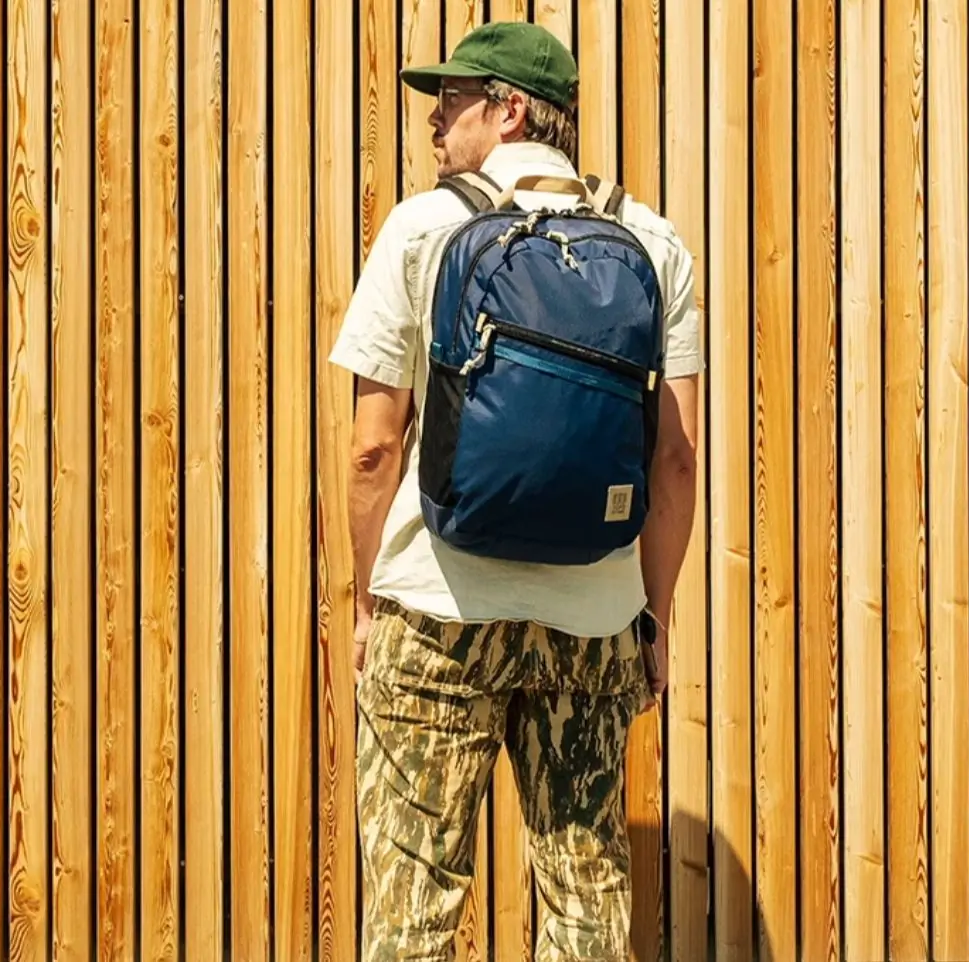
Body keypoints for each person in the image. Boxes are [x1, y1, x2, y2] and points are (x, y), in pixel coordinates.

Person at [328, 20, 700, 962]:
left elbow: (375, 448)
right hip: (592, 619)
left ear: (511, 110)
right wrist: (650, 616)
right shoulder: (652, 242)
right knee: (585, 891)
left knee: (413, 903)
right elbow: (676, 461)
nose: (433, 125)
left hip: (437, 611)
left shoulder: (420, 228)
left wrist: (369, 599)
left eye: (450, 104)